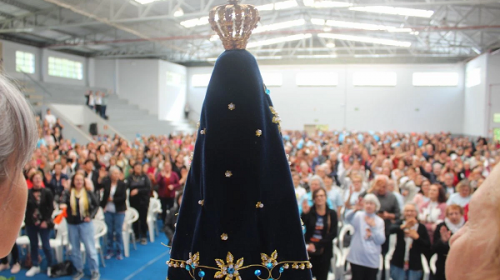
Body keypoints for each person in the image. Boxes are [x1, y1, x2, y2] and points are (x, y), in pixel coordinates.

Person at [61, 173, 100, 280]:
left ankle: (95, 271)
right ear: (73, 181)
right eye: (77, 180)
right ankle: (79, 270)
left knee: (90, 249)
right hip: (72, 224)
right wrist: (63, 205)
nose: (79, 182)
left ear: (84, 182)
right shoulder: (68, 193)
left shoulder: (88, 192)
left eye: (81, 180)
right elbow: (62, 201)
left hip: (85, 224)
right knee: (75, 249)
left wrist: (91, 216)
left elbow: (96, 205)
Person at [345, 194, 386, 280]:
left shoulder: (379, 221)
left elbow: (381, 240)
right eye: (367, 203)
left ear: (376, 206)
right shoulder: (359, 215)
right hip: (357, 258)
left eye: (371, 203)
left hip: (371, 260)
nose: (369, 205)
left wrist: (374, 227)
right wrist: (355, 209)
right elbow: (347, 218)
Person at [302, 188, 338, 280]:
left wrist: (316, 245)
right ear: (314, 199)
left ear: (325, 197)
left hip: (324, 251)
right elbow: (303, 226)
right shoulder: (310, 212)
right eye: (317, 196)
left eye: (321, 196)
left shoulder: (332, 214)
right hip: (309, 250)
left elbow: (333, 234)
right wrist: (304, 214)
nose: (319, 198)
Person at [25, 171, 55, 277]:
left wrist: (45, 221)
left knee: (46, 245)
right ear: (32, 180)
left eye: (39, 178)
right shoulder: (27, 192)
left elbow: (51, 207)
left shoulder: (47, 192)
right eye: (35, 178)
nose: (37, 180)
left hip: (44, 223)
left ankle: (50, 266)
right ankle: (35, 265)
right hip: (31, 223)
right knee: (33, 244)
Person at [389, 202, 431, 280]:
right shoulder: (400, 223)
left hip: (415, 264)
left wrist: (417, 238)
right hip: (398, 262)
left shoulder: (421, 227)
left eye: (412, 211)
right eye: (407, 211)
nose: (409, 213)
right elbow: (390, 230)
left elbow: (427, 245)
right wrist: (403, 226)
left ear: (416, 213)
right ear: (404, 212)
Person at [100, 166, 127, 260]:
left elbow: (123, 197)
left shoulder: (122, 184)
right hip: (108, 210)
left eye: (117, 173)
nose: (116, 175)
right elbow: (101, 194)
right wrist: (103, 205)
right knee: (110, 232)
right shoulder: (106, 183)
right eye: (114, 173)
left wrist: (113, 199)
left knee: (118, 232)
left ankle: (119, 251)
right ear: (111, 175)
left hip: (119, 211)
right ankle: (109, 250)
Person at [433, 205, 465, 280]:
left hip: (463, 263)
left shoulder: (466, 226)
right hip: (444, 264)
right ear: (447, 215)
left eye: (456, 213)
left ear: (461, 214)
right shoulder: (441, 227)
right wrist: (443, 241)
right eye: (451, 214)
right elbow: (434, 248)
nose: (454, 216)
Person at [126, 163, 152, 245]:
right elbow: (126, 187)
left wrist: (138, 191)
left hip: (143, 201)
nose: (138, 169)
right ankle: (136, 235)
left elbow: (149, 188)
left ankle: (144, 236)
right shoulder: (130, 178)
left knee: (143, 218)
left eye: (139, 168)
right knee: (135, 219)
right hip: (133, 201)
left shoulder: (145, 177)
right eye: (136, 168)